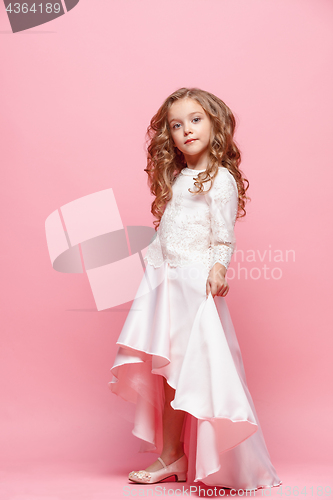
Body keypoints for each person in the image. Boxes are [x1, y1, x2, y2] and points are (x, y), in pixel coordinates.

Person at [109, 87, 282, 491]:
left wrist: (220, 268)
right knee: (170, 374)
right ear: (168, 137)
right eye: (176, 124)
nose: (186, 129)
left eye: (195, 119)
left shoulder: (219, 179)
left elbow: (223, 237)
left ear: (215, 123)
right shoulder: (178, 178)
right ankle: (173, 456)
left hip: (195, 285)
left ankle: (213, 459)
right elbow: (169, 233)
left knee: (197, 373)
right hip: (167, 284)